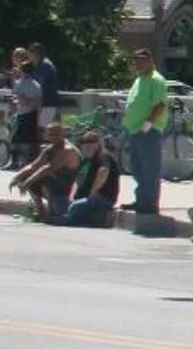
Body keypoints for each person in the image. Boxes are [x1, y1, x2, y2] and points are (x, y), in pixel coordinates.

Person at [122, 47, 172, 219]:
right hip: (134, 130)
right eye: (135, 60)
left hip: (148, 130)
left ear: (150, 61)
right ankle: (141, 199)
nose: (137, 63)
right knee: (137, 167)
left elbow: (160, 105)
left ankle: (150, 203)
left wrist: (148, 123)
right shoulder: (139, 78)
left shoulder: (156, 80)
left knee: (150, 168)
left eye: (141, 60)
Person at [54, 130, 123, 228]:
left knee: (76, 206)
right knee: (59, 200)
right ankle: (65, 216)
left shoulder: (103, 156)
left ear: (98, 144)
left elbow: (103, 171)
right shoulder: (86, 160)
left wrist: (93, 192)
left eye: (91, 143)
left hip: (103, 197)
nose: (87, 146)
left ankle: (66, 219)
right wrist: (71, 196)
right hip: (84, 197)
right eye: (84, 143)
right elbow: (77, 180)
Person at [9, 124, 76, 222]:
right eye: (51, 134)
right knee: (26, 176)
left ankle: (51, 209)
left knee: (43, 176)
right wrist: (17, 177)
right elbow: (34, 165)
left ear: (63, 134)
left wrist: (27, 183)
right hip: (56, 184)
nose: (53, 137)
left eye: (56, 134)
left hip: (69, 187)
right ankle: (41, 211)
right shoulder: (49, 149)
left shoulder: (68, 149)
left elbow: (48, 168)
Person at [8, 49, 39, 164]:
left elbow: (36, 100)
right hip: (21, 111)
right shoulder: (21, 80)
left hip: (27, 113)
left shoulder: (32, 81)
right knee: (18, 138)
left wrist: (22, 100)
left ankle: (19, 162)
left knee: (21, 139)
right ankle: (17, 162)